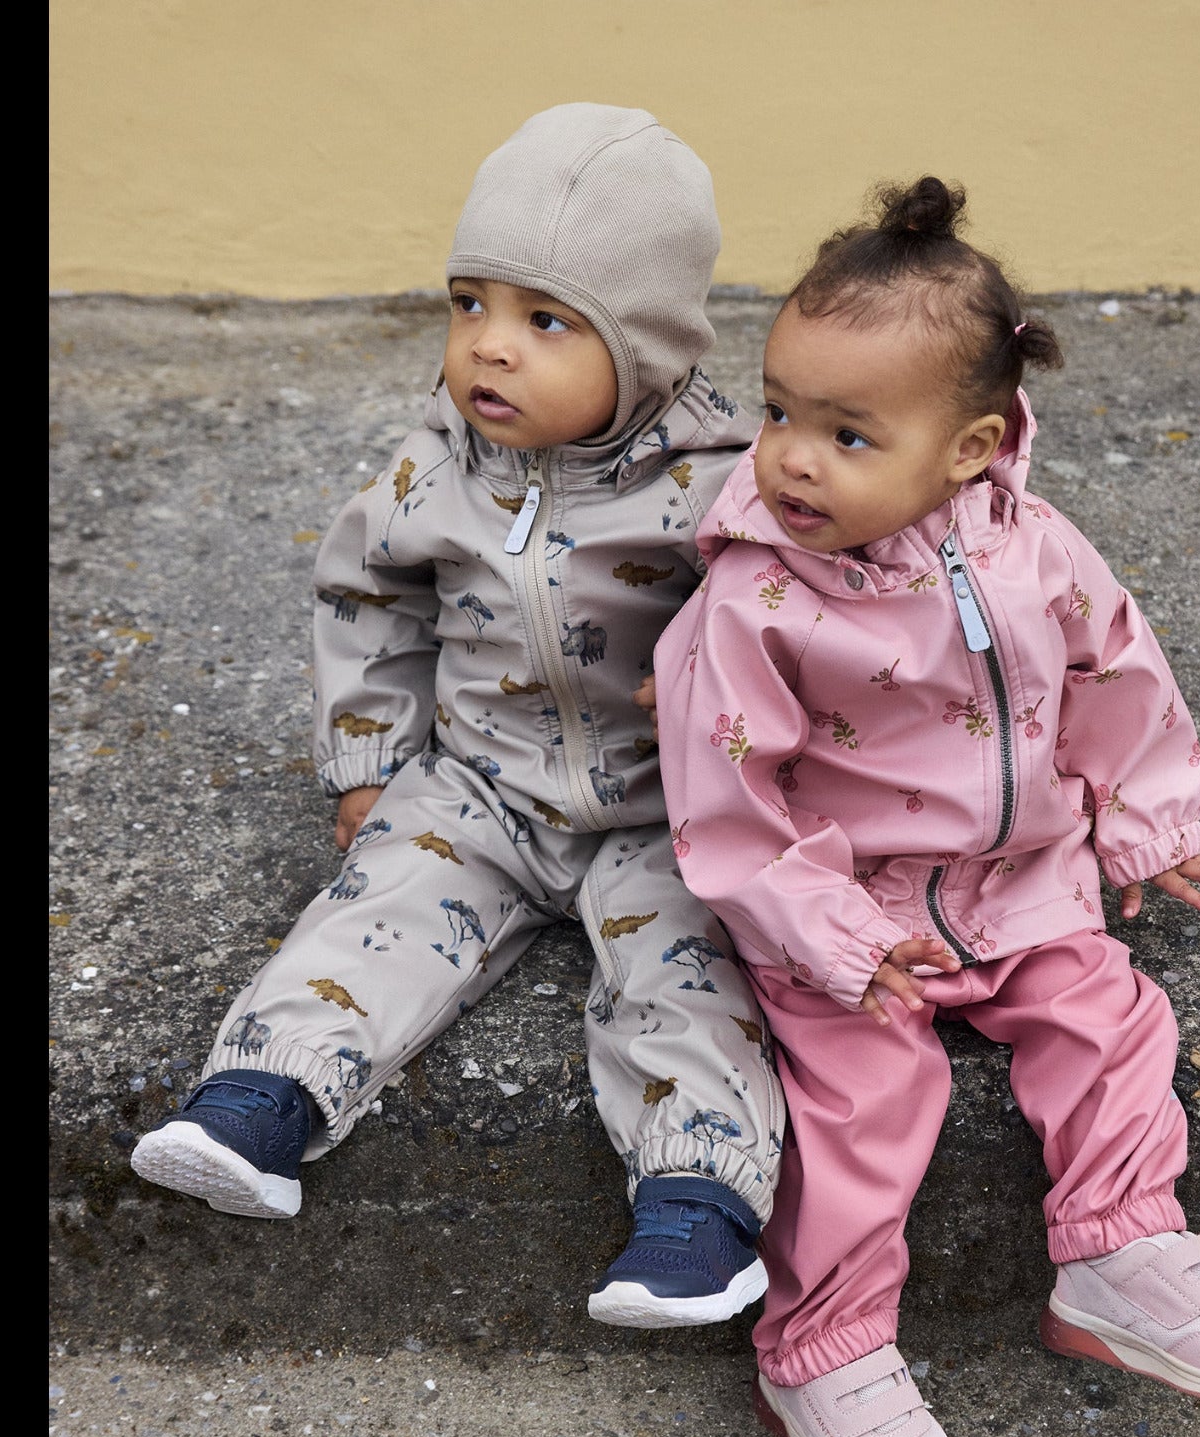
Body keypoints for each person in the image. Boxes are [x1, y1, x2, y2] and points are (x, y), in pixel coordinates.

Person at [651, 176, 1200, 1437]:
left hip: (1018, 891)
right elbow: (724, 799)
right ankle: (824, 1354)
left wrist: (1144, 819)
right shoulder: (754, 596)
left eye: (848, 433)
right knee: (863, 1108)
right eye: (779, 411)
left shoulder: (1032, 550)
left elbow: (1116, 672)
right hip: (849, 918)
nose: (792, 459)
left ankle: (1122, 1254)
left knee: (1114, 1022)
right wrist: (834, 938)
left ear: (970, 447)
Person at [131, 102, 785, 1331]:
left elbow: (791, 630)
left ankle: (696, 1209)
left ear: (646, 347)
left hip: (668, 808)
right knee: (378, 903)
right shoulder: (432, 468)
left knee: (689, 975)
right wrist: (370, 761)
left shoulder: (722, 485)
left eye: (546, 321)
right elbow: (367, 598)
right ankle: (262, 1101)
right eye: (469, 302)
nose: (489, 346)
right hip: (480, 782)